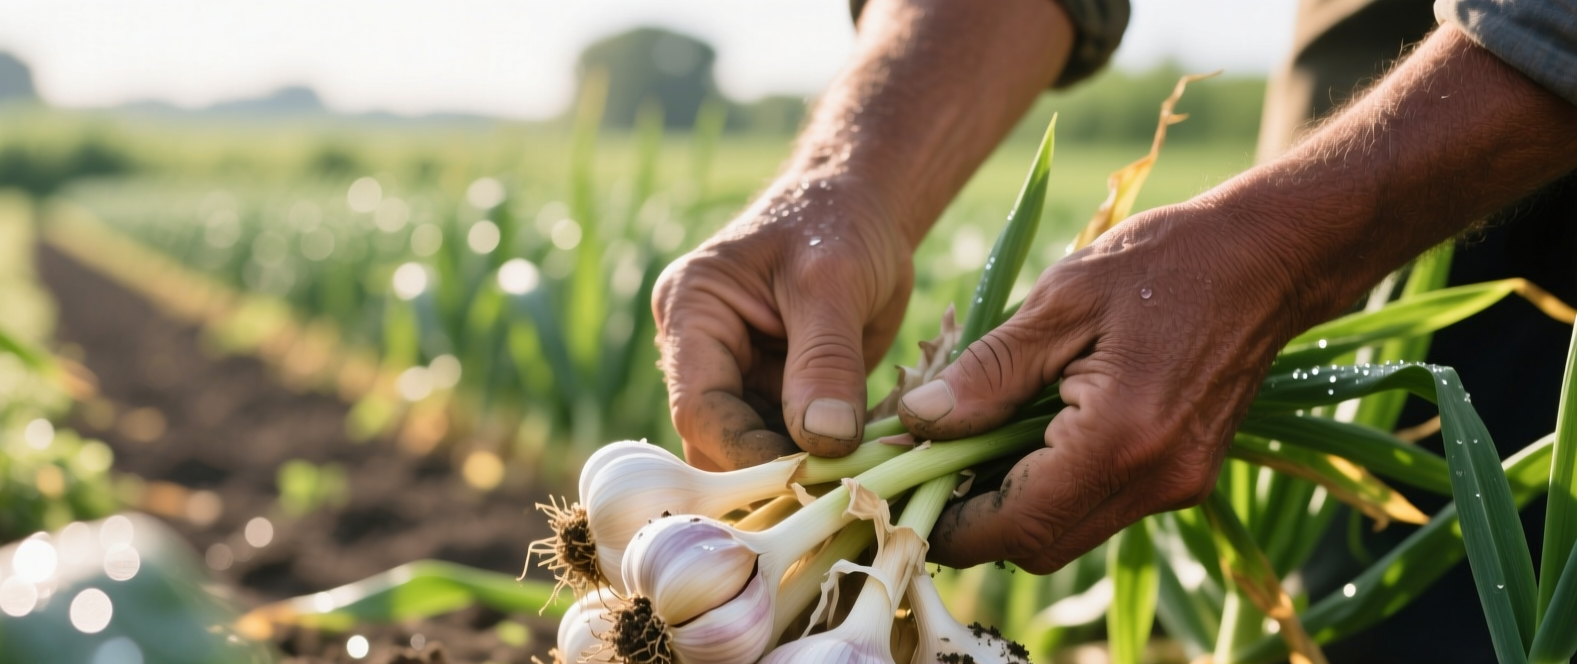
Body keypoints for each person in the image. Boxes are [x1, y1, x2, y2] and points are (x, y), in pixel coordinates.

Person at [650, 0, 1577, 579]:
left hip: (1516, 146)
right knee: (1384, 617)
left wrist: (1284, 248)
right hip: (1379, 82)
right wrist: (851, 173)